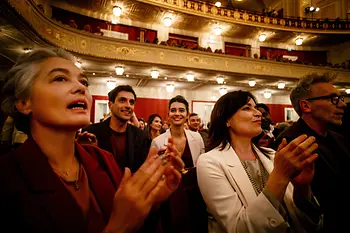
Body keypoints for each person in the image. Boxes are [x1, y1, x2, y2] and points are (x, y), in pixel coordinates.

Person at [0, 47, 184, 233]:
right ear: (24, 102)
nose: (81, 87)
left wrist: (150, 203)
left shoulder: (102, 159)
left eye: (84, 82)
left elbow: (131, 220)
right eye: (60, 78)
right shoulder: (8, 177)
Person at [196, 90, 323, 233]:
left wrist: (302, 187)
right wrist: (280, 176)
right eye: (246, 108)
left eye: (255, 108)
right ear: (227, 120)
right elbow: (239, 228)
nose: (258, 113)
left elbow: (304, 222)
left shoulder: (271, 155)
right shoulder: (210, 161)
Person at [274, 73, 349, 233]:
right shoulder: (292, 142)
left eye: (341, 98)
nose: (342, 105)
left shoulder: (338, 137)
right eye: (333, 99)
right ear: (306, 106)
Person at [151, 95, 208, 233]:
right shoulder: (158, 141)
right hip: (171, 195)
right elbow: (156, 172)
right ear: (168, 114)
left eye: (181, 110)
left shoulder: (197, 137)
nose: (177, 113)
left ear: (187, 114)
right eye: (173, 110)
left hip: (195, 192)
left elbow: (202, 165)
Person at [81, 85, 151, 173]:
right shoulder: (91, 132)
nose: (128, 106)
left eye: (131, 102)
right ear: (110, 105)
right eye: (122, 100)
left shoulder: (141, 137)